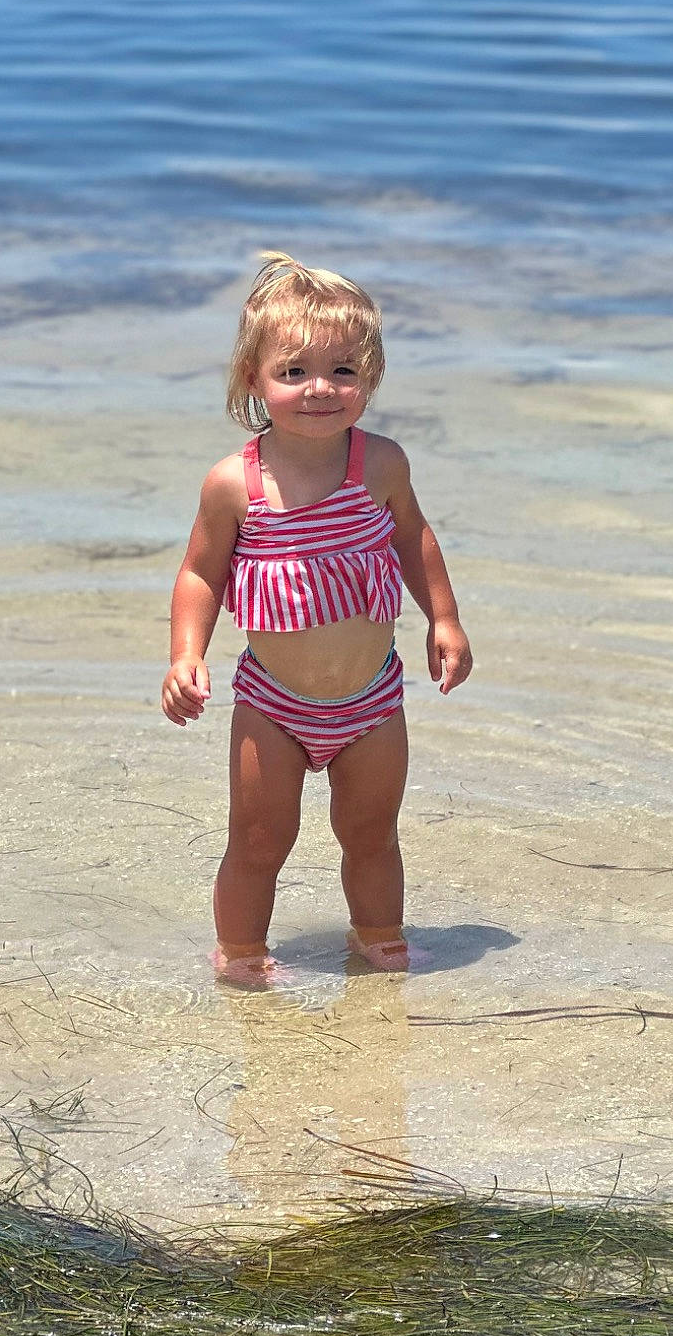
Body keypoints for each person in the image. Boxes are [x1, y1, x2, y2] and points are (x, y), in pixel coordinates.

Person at [162, 253, 472, 988]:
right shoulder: (236, 484)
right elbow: (201, 573)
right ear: (253, 381)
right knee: (260, 838)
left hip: (372, 700)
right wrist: (185, 655)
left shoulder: (381, 465)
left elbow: (412, 539)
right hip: (275, 703)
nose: (320, 389)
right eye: (294, 372)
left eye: (343, 370)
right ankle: (239, 951)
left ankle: (379, 936)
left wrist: (445, 618)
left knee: (371, 834)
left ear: (371, 377)